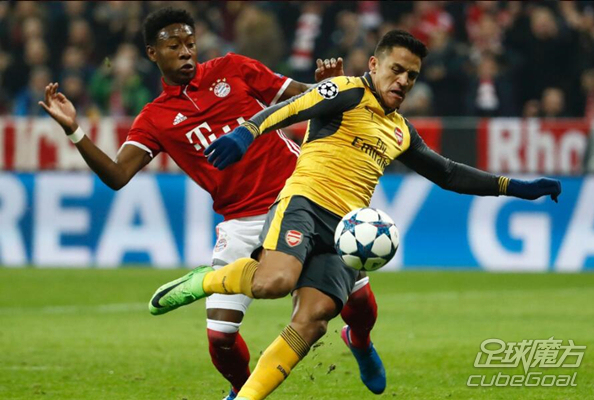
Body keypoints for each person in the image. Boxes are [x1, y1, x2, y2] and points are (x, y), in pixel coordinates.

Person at [151, 29, 562, 400]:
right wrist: (247, 132)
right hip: (303, 204)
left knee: (314, 321)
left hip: (346, 231)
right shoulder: (347, 91)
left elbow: (449, 173)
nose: (403, 81)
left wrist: (516, 187)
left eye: (412, 76)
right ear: (374, 65)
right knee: (275, 282)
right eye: (397, 70)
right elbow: (292, 108)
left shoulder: (401, 131)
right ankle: (205, 280)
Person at [39, 7, 384, 400]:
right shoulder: (155, 119)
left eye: (190, 43)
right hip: (241, 221)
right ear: (152, 53)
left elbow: (302, 97)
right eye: (174, 46)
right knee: (220, 337)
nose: (186, 51)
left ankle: (359, 340)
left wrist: (327, 87)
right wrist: (74, 130)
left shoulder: (232, 69)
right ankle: (242, 389)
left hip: (300, 198)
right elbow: (117, 175)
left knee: (358, 302)